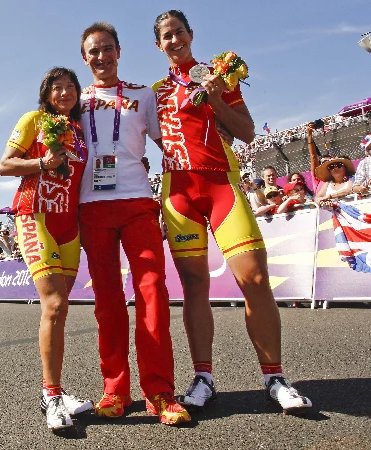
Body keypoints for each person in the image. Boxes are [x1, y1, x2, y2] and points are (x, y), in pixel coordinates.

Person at [152, 9, 311, 415]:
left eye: (179, 32)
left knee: (255, 278)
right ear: (159, 45)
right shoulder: (153, 93)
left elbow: (247, 131)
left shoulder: (217, 76)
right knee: (193, 286)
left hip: (222, 184)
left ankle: (274, 376)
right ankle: (203, 376)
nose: (174, 40)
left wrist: (218, 100)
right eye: (166, 36)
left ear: (190, 35)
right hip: (179, 193)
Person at [78, 22, 190, 425]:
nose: (101, 56)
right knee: (108, 302)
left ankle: (160, 391)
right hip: (91, 208)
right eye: (94, 51)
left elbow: (173, 142)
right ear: (84, 58)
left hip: (138, 202)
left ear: (119, 51)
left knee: (152, 294)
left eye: (108, 48)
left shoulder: (143, 96)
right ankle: (114, 390)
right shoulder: (74, 101)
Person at [0, 67, 92, 431]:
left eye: (71, 87)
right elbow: (5, 164)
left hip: (70, 226)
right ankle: (50, 395)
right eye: (58, 88)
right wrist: (41, 162)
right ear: (46, 93)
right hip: (35, 215)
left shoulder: (82, 131)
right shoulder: (34, 119)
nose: (65, 93)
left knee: (61, 309)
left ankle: (58, 390)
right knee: (53, 305)